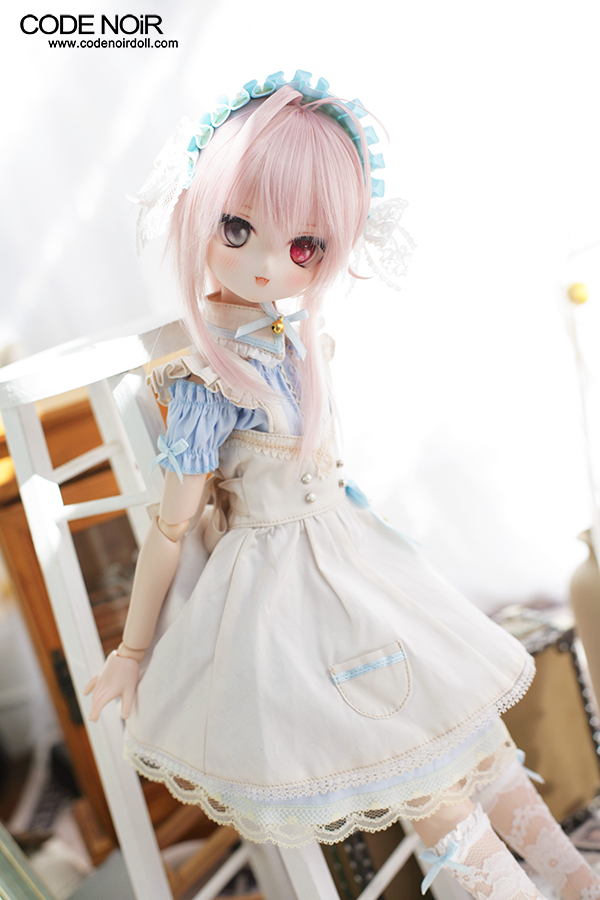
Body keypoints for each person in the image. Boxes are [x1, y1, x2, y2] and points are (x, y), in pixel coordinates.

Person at [85, 72, 600, 898]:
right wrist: (133, 651)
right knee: (421, 766)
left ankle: (573, 880)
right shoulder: (208, 377)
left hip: (352, 560)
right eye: (237, 228)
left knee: (468, 737)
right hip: (286, 599)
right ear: (198, 210)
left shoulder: (289, 341)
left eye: (303, 248)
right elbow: (172, 528)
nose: (267, 264)